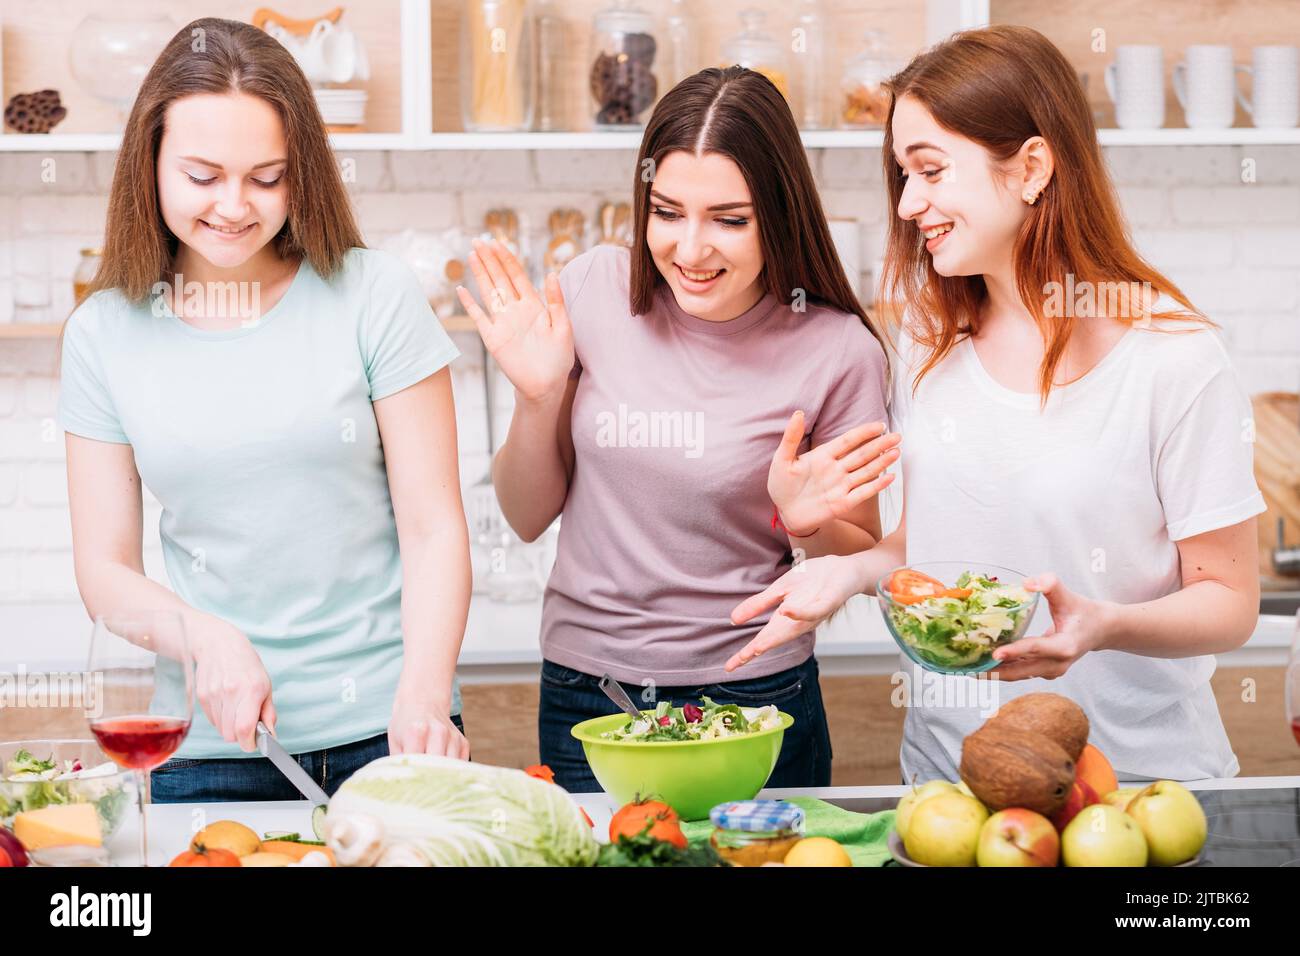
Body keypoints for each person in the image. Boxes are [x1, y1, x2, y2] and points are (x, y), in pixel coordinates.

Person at [727, 26, 1264, 785]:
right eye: (903, 175)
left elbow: (1230, 602)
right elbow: (924, 550)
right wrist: (837, 564)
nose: (910, 203)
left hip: (1138, 790)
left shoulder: (1174, 358)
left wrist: (1102, 626)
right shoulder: (928, 344)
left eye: (931, 170)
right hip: (951, 784)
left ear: (1032, 168)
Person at [59, 18, 471, 802]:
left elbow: (434, 526)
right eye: (203, 175)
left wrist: (422, 697)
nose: (234, 206)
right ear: (149, 166)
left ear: (301, 174)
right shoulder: (103, 334)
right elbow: (103, 570)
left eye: (266, 177)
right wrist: (204, 638)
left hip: (392, 734)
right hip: (208, 748)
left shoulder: (373, 295)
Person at [457, 67, 899, 790]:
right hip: (591, 695)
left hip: (755, 697)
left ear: (779, 214)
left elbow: (851, 561)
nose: (691, 251)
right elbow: (525, 515)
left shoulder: (838, 350)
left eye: (729, 219)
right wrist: (538, 399)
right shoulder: (594, 288)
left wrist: (801, 523)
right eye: (667, 212)